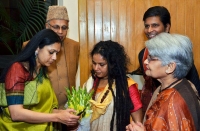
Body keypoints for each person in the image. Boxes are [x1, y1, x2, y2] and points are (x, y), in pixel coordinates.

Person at [0, 29, 80, 131]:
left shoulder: (41, 71)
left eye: (57, 53)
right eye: (51, 52)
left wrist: (63, 114)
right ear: (37, 48)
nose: (55, 57)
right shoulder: (17, 69)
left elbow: (43, 109)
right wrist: (57, 117)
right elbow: (16, 114)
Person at [126, 33, 200, 131]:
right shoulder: (180, 84)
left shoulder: (174, 102)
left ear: (170, 67)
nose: (145, 62)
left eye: (151, 58)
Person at [138, 6, 200, 114]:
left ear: (167, 27)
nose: (149, 30)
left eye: (155, 25)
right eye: (147, 26)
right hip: (154, 105)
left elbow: (194, 87)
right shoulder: (142, 54)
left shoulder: (178, 53)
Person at [83, 40, 143, 131]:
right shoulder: (91, 83)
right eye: (94, 63)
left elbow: (138, 123)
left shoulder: (126, 85)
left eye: (101, 64)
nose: (96, 68)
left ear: (113, 64)